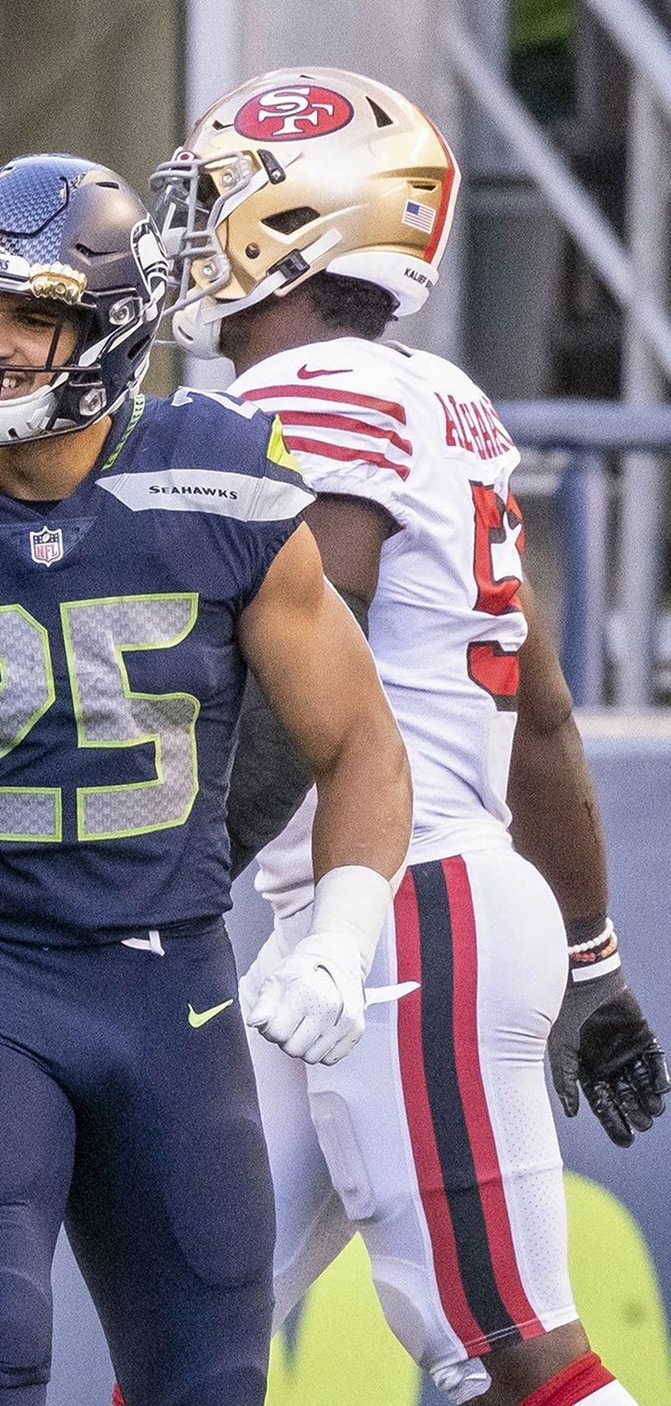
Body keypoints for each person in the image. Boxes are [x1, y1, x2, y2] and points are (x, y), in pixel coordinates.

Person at [0, 152, 412, 1405]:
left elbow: (360, 741)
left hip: (168, 986)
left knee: (211, 1380)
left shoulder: (213, 469)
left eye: (32, 314)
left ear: (114, 332)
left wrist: (343, 932)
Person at [155, 66, 669, 1406]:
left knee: (511, 1356)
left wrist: (169, 874)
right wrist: (593, 959)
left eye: (214, 202)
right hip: (371, 924)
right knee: (187, 1324)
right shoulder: (447, 403)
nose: (187, 233)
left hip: (404, 916)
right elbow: (542, 720)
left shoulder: (310, 392)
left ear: (294, 228)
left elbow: (307, 650)